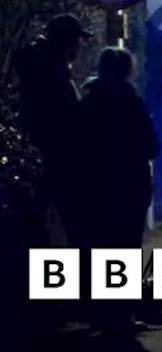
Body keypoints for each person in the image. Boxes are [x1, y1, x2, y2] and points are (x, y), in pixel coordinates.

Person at [73, 47, 159, 337]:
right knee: (124, 250)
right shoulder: (130, 102)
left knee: (97, 247)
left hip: (94, 188)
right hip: (127, 188)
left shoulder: (89, 100)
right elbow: (150, 145)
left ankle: (98, 314)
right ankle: (120, 316)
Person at [12, 14, 92, 248]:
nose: (79, 49)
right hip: (57, 162)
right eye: (76, 42)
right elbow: (63, 120)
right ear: (68, 43)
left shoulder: (44, 68)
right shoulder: (52, 74)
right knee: (72, 230)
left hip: (46, 162)